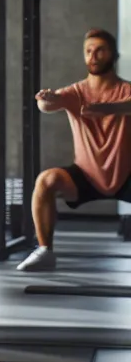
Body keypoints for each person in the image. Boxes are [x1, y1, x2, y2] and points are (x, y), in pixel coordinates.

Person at [21, 29, 131, 273]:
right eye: (88, 51)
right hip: (86, 176)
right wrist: (45, 99)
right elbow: (48, 104)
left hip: (124, 174)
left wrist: (106, 109)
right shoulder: (77, 92)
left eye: (100, 50)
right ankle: (45, 251)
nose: (93, 56)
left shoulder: (126, 90)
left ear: (113, 54)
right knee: (46, 181)